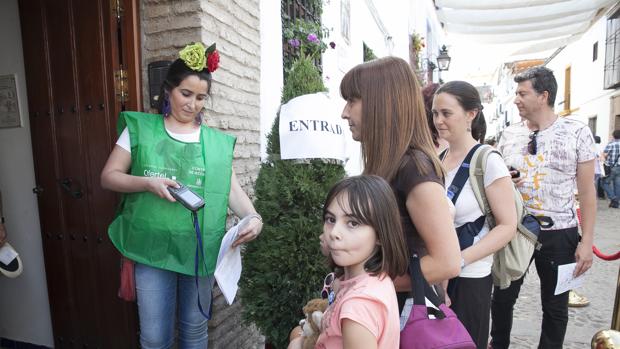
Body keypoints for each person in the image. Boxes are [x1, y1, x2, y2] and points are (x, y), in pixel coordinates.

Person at [101, 42, 263, 349]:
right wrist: (147, 183)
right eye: (185, 94)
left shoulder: (214, 144)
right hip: (151, 250)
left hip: (198, 251)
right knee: (154, 339)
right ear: (168, 90)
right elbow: (109, 177)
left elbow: (233, 193)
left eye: (201, 97)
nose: (193, 104)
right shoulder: (140, 129)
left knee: (194, 334)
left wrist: (255, 219)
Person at [339, 57, 461, 311]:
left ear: (380, 103)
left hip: (403, 315)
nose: (345, 113)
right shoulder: (391, 164)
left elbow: (447, 262)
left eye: (352, 101)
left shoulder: (414, 167)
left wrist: (362, 282)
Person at [489, 66, 596, 349]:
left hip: (561, 233)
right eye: (515, 93)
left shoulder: (577, 132)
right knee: (501, 298)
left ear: (543, 96)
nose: (515, 99)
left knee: (556, 307)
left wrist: (587, 242)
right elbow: (498, 182)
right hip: (516, 229)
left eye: (522, 93)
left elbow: (587, 192)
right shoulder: (509, 135)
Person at [432, 81, 517, 349]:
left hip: (470, 277)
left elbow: (507, 225)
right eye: (435, 113)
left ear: (471, 114)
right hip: (439, 274)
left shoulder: (488, 161)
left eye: (446, 113)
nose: (438, 121)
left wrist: (459, 260)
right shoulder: (440, 158)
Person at [290, 175, 409, 349]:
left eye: (352, 223)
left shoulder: (357, 308)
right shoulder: (372, 279)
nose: (334, 233)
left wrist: (296, 344)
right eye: (331, 219)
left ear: (381, 234)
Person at [602, 130, 620, 208]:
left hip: (612, 167)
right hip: (619, 167)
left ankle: (614, 198)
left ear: (613, 136)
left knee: (604, 183)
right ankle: (615, 204)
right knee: (617, 185)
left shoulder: (611, 144)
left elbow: (604, 155)